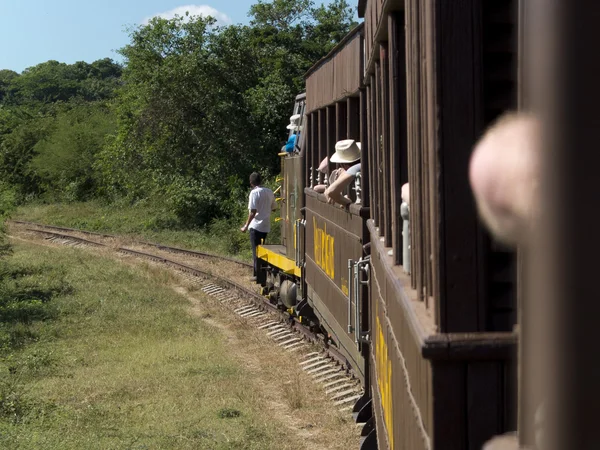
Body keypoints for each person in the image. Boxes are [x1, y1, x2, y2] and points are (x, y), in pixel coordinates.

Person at [240, 172, 277, 281]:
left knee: (255, 251)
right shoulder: (269, 192)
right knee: (263, 250)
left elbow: (253, 212)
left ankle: (258, 275)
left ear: (251, 182)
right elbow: (274, 208)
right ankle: (263, 273)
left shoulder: (254, 193)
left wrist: (245, 226)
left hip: (255, 226)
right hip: (266, 226)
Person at [324, 139, 361, 207]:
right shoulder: (360, 167)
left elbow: (331, 192)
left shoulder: (356, 168)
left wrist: (347, 202)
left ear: (343, 164)